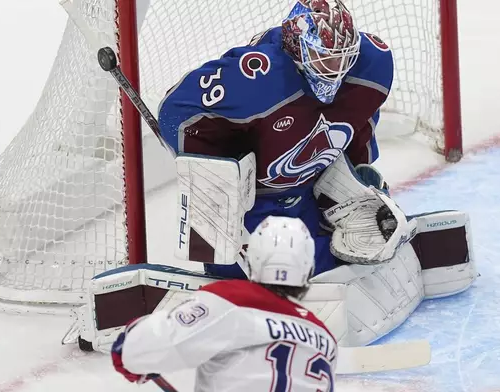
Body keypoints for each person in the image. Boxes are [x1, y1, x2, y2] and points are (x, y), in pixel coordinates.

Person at [158, 0, 394, 279]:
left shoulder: (372, 64)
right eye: (324, 57)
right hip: (256, 204)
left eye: (343, 56)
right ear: (296, 47)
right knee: (276, 274)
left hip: (311, 191)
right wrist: (214, 176)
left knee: (375, 239)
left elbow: (361, 116)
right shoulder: (258, 76)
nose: (337, 68)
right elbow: (175, 111)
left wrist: (358, 175)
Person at [111, 216, 337, 391]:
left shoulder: (232, 299)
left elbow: (135, 352)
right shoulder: (325, 338)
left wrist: (132, 341)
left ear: (253, 259)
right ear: (307, 268)